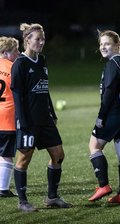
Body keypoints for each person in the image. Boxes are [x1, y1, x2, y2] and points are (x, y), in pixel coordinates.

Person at [10, 23, 72, 212]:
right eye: (38, 39)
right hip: (28, 121)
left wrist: (52, 113)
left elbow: (44, 90)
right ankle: (23, 202)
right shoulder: (20, 64)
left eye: (43, 39)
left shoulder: (42, 60)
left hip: (45, 119)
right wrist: (23, 122)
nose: (42, 42)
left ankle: (52, 197)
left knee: (58, 155)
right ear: (27, 40)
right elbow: (18, 95)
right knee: (24, 159)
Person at [88, 30, 120, 204]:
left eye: (107, 43)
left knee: (94, 145)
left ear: (118, 45)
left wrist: (101, 116)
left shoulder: (113, 63)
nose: (103, 47)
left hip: (115, 113)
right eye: (101, 44)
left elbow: (109, 90)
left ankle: (103, 185)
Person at [0, 36, 20, 197]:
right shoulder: (13, 68)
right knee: (6, 155)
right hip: (7, 118)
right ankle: (3, 189)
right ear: (6, 52)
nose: (19, 53)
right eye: (16, 51)